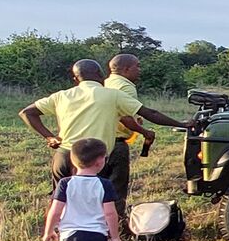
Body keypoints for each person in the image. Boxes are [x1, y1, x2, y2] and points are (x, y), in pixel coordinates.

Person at [20, 60, 145, 190]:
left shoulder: (62, 95)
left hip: (64, 155)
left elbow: (26, 113)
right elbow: (142, 114)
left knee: (60, 199)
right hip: (91, 155)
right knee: (96, 198)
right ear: (101, 75)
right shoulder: (113, 94)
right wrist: (152, 128)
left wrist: (50, 137)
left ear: (75, 79)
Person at [104, 53, 190, 224]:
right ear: (126, 69)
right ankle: (116, 226)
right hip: (116, 142)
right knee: (116, 189)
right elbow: (126, 117)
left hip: (99, 141)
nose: (140, 70)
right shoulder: (125, 87)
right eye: (137, 66)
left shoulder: (106, 83)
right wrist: (145, 130)